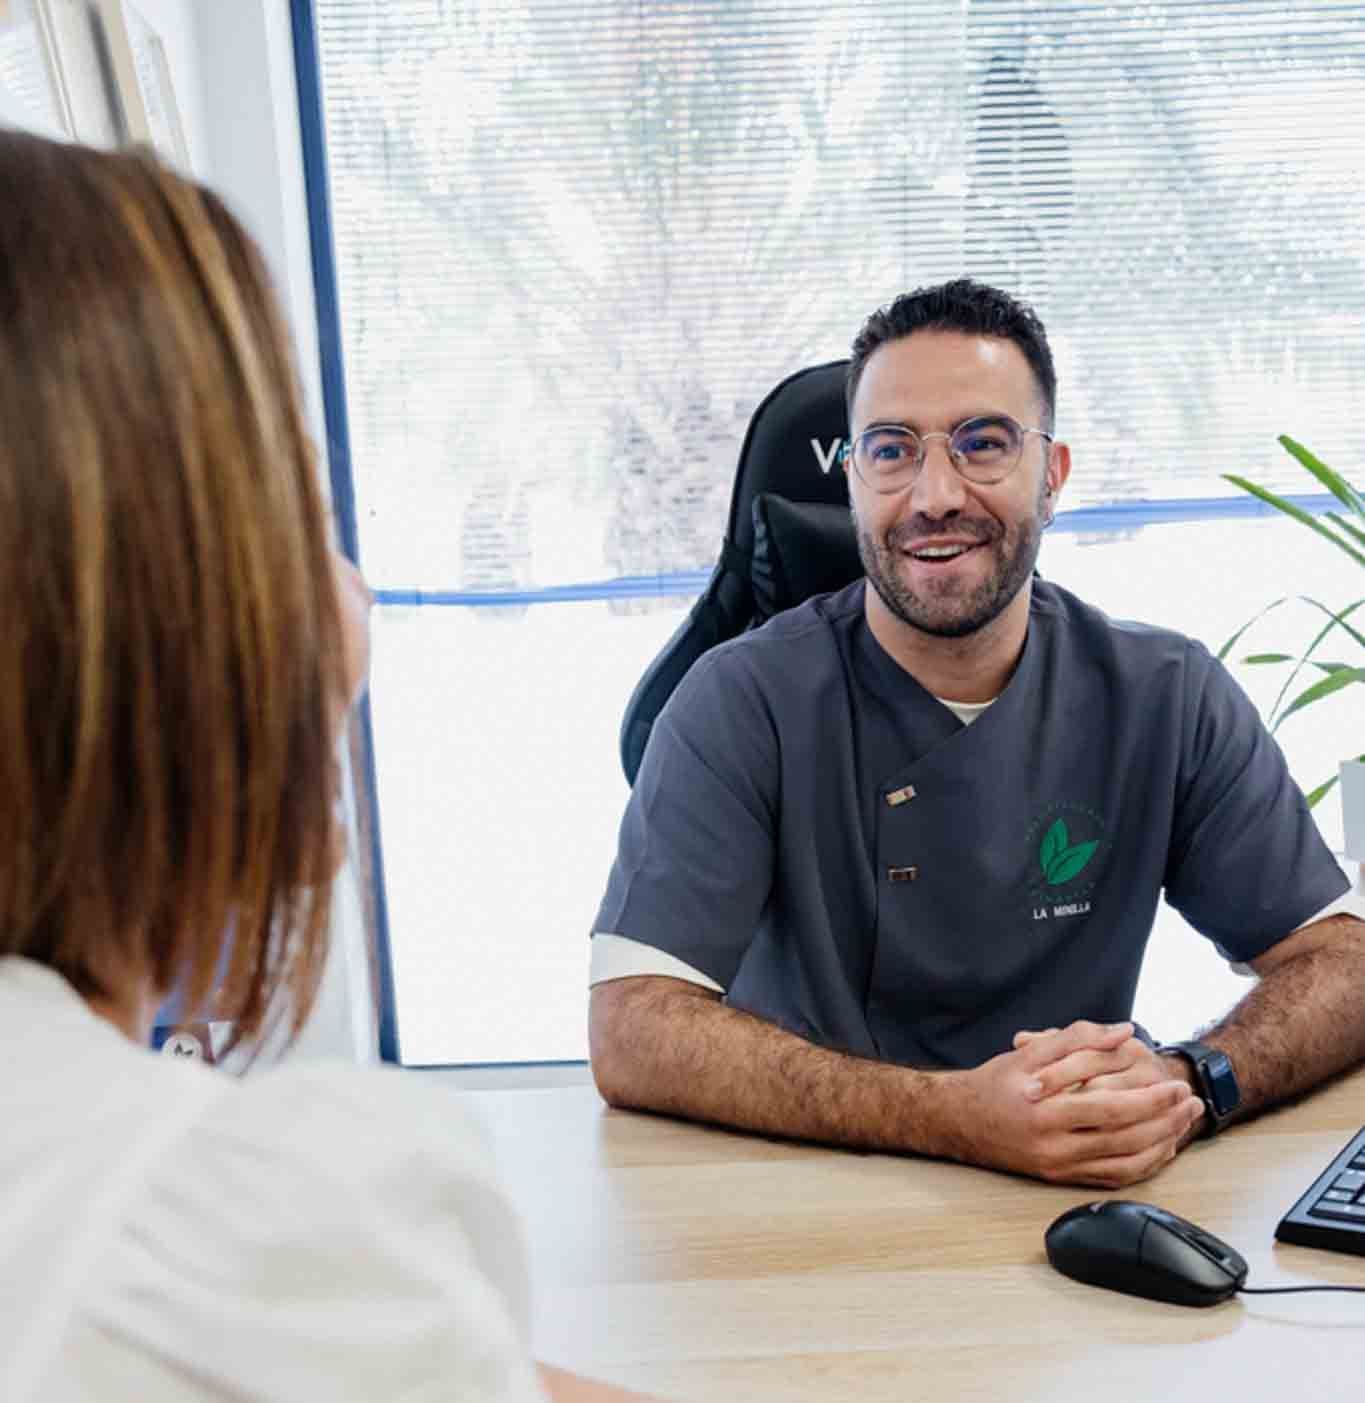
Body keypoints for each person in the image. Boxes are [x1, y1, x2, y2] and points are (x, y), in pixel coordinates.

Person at [0, 132, 651, 1403]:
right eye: (305, 509)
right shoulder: (232, 1232)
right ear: (161, 612)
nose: (352, 604)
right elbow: (637, 1033)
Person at [588, 278, 1365, 1190]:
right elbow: (632, 1027)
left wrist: (1191, 1081)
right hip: (804, 1205)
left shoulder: (1163, 694)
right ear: (853, 480)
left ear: (1052, 474)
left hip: (1077, 1203)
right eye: (890, 450)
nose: (935, 493)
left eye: (983, 444)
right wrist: (952, 1117)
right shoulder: (738, 699)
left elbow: (1342, 963)